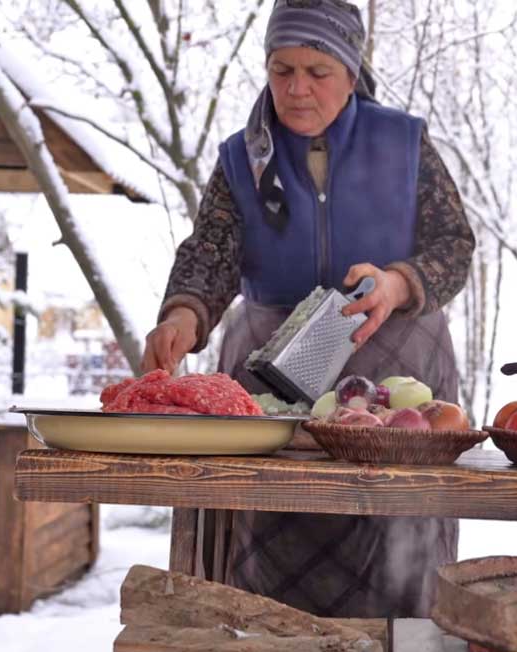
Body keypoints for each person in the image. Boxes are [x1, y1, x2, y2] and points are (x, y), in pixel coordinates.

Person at [141, 0, 475, 619]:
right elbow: (211, 252)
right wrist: (183, 317)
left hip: (396, 380)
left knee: (394, 540)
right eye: (281, 70)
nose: (296, 89)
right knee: (270, 532)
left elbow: (455, 245)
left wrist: (400, 283)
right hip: (269, 382)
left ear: (351, 70)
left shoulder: (403, 143)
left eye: (317, 71)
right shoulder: (243, 157)